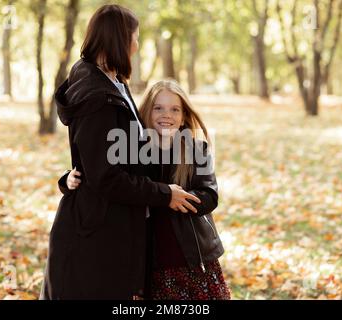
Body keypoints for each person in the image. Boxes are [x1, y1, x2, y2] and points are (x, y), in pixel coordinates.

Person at [39, 4, 200, 300]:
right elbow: (106, 177)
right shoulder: (97, 97)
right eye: (135, 38)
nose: (137, 46)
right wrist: (165, 194)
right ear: (120, 40)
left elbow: (109, 157)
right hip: (95, 236)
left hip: (111, 226)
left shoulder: (112, 83)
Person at [67, 79, 231, 300]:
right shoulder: (132, 151)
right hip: (150, 260)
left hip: (190, 258)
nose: (167, 115)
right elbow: (106, 177)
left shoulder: (195, 150)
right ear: (146, 112)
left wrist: (177, 198)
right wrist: (67, 178)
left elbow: (209, 196)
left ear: (183, 116)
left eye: (175, 109)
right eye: (158, 108)